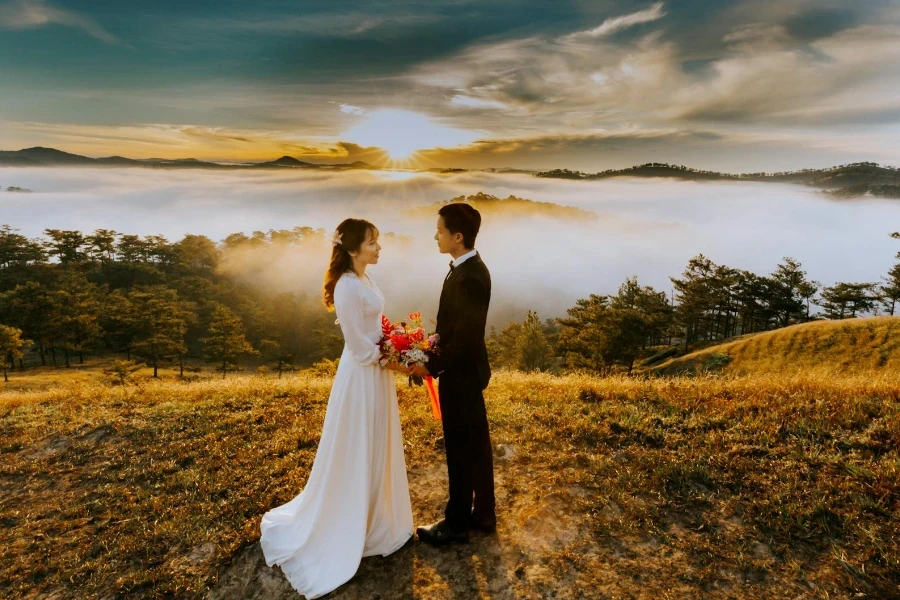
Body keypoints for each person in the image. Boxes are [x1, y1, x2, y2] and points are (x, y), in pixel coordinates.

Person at [260, 218, 413, 598]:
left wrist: (398, 340)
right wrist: (401, 363)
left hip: (376, 372)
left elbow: (374, 327)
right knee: (356, 442)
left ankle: (377, 517)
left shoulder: (364, 278)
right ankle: (348, 520)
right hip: (363, 375)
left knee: (376, 440)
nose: (379, 248)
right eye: (373, 242)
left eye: (378, 241)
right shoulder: (346, 285)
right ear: (352, 248)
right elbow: (359, 347)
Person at [410, 203, 496, 546]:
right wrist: (430, 345)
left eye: (440, 231)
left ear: (457, 237)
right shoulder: (463, 268)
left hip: (461, 374)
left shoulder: (472, 276)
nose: (436, 235)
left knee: (460, 447)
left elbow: (467, 337)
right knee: (476, 444)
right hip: (463, 369)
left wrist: (430, 365)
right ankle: (484, 515)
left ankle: (457, 522)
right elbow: (453, 327)